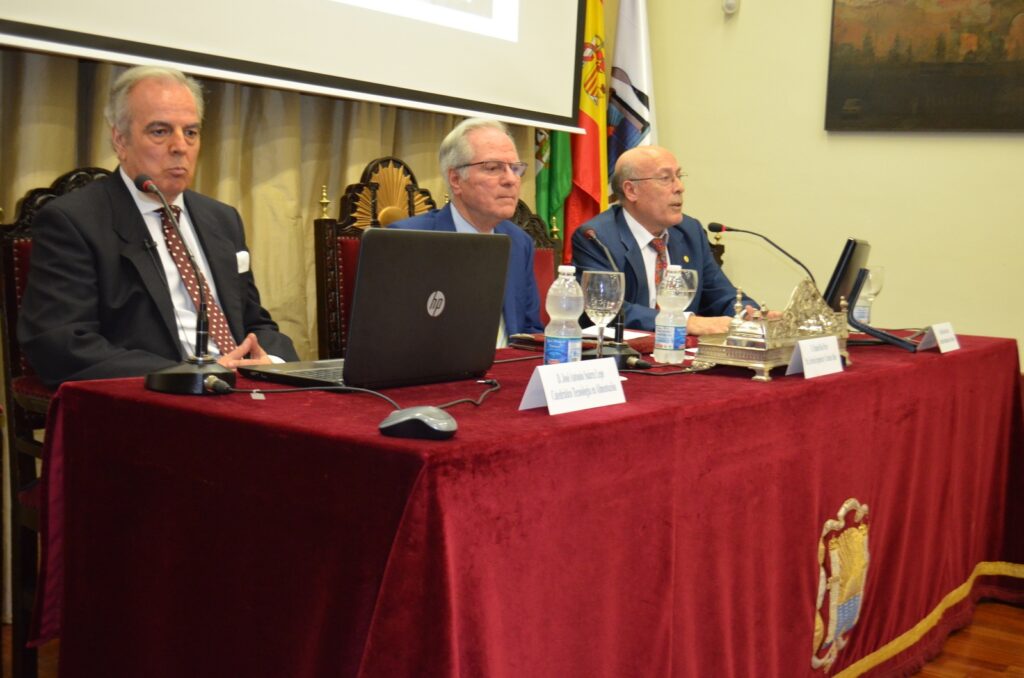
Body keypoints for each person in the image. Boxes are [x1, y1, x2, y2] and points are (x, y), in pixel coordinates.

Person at [18, 65, 298, 387]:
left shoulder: (222, 219)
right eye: (160, 131)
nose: (180, 146)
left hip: (244, 391)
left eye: (190, 132)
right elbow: (61, 342)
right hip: (155, 402)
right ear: (120, 140)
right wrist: (187, 376)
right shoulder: (73, 222)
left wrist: (271, 362)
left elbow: (255, 322)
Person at [572, 145, 761, 334]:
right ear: (631, 190)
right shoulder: (596, 237)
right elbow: (605, 307)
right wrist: (683, 322)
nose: (679, 187)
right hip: (624, 357)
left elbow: (719, 293)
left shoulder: (690, 231)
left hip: (680, 354)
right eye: (665, 178)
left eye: (679, 176)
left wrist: (748, 314)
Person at [391, 118, 543, 342]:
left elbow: (530, 332)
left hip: (507, 370)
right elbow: (392, 337)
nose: (511, 180)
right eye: (493, 168)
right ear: (455, 179)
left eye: (515, 168)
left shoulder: (519, 242)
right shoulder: (408, 242)